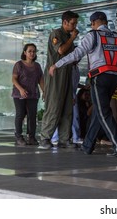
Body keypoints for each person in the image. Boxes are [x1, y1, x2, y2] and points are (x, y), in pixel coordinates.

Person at [49, 11, 117, 157]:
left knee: (103, 112)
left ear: (94, 22)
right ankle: (87, 145)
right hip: (114, 77)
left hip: (99, 78)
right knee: (100, 111)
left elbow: (77, 53)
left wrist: (57, 65)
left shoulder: (93, 35)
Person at [39, 10, 79, 149]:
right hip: (55, 76)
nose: (75, 26)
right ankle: (45, 137)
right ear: (65, 22)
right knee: (54, 106)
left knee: (67, 107)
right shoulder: (56, 34)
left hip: (67, 74)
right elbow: (61, 50)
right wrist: (72, 38)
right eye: (72, 23)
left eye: (76, 23)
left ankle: (64, 138)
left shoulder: (68, 36)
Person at [11, 43, 44, 146]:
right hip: (19, 94)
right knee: (20, 114)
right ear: (25, 52)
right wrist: (20, 89)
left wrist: (44, 91)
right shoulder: (19, 64)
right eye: (29, 51)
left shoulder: (37, 66)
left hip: (33, 94)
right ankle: (19, 137)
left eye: (34, 51)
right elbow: (14, 79)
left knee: (32, 115)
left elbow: (41, 80)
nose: (32, 53)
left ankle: (31, 137)